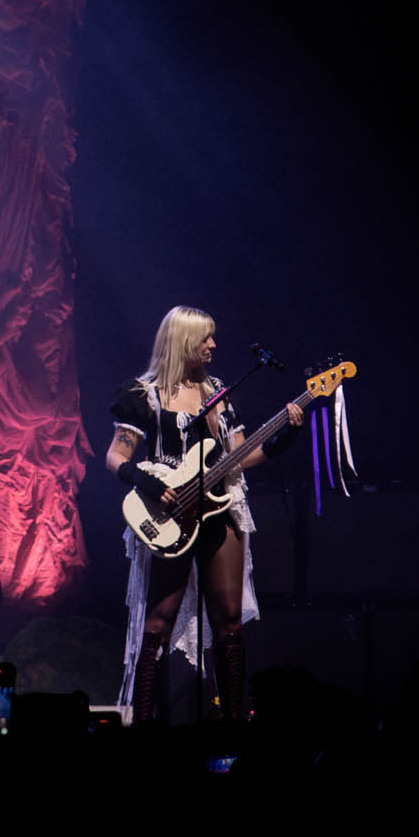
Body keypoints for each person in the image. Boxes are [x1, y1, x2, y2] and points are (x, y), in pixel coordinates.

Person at [106, 306, 298, 723]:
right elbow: (116, 455)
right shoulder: (146, 395)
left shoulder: (219, 393)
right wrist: (146, 481)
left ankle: (231, 722)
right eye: (205, 338)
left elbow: (240, 455)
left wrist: (286, 435)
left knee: (228, 620)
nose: (213, 345)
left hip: (220, 506)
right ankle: (143, 721)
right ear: (183, 342)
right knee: (159, 620)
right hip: (169, 510)